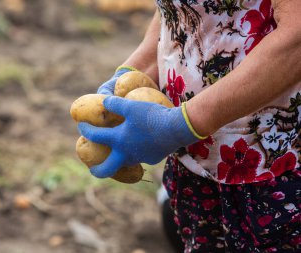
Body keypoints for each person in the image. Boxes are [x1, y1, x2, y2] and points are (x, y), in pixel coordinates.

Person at [78, 0, 301, 252]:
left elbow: (296, 37)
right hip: (196, 163)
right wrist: (135, 72)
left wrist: (182, 124)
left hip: (278, 170)